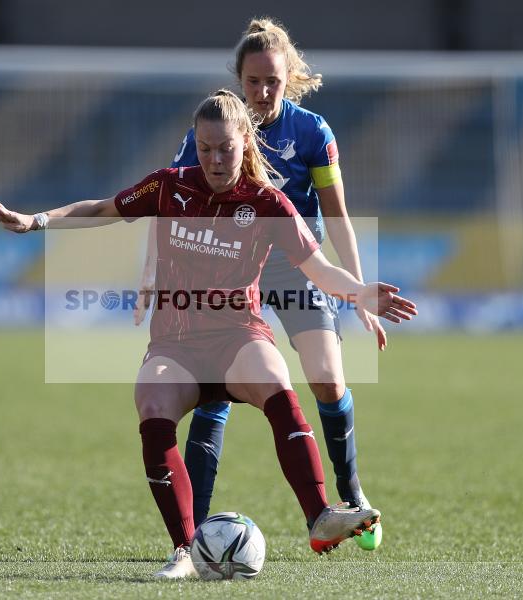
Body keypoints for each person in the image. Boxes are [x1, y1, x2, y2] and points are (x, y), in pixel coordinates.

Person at [0, 90, 417, 579]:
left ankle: (320, 516)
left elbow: (317, 269)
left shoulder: (268, 203)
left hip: (238, 337)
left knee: (278, 381)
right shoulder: (169, 186)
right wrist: (35, 220)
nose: (214, 159)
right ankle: (183, 551)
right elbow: (103, 209)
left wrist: (359, 291)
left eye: (225, 149)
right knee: (151, 402)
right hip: (177, 343)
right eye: (205, 148)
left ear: (245, 142)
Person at [135, 17, 383, 526]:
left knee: (327, 378)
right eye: (253, 81)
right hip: (227, 268)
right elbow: (167, 205)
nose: (263, 91)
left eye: (273, 80)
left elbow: (336, 216)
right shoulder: (213, 132)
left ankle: (349, 487)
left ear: (289, 77)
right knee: (213, 389)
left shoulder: (312, 132)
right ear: (239, 79)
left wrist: (359, 290)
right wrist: (150, 272)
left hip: (296, 266)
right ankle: (196, 528)